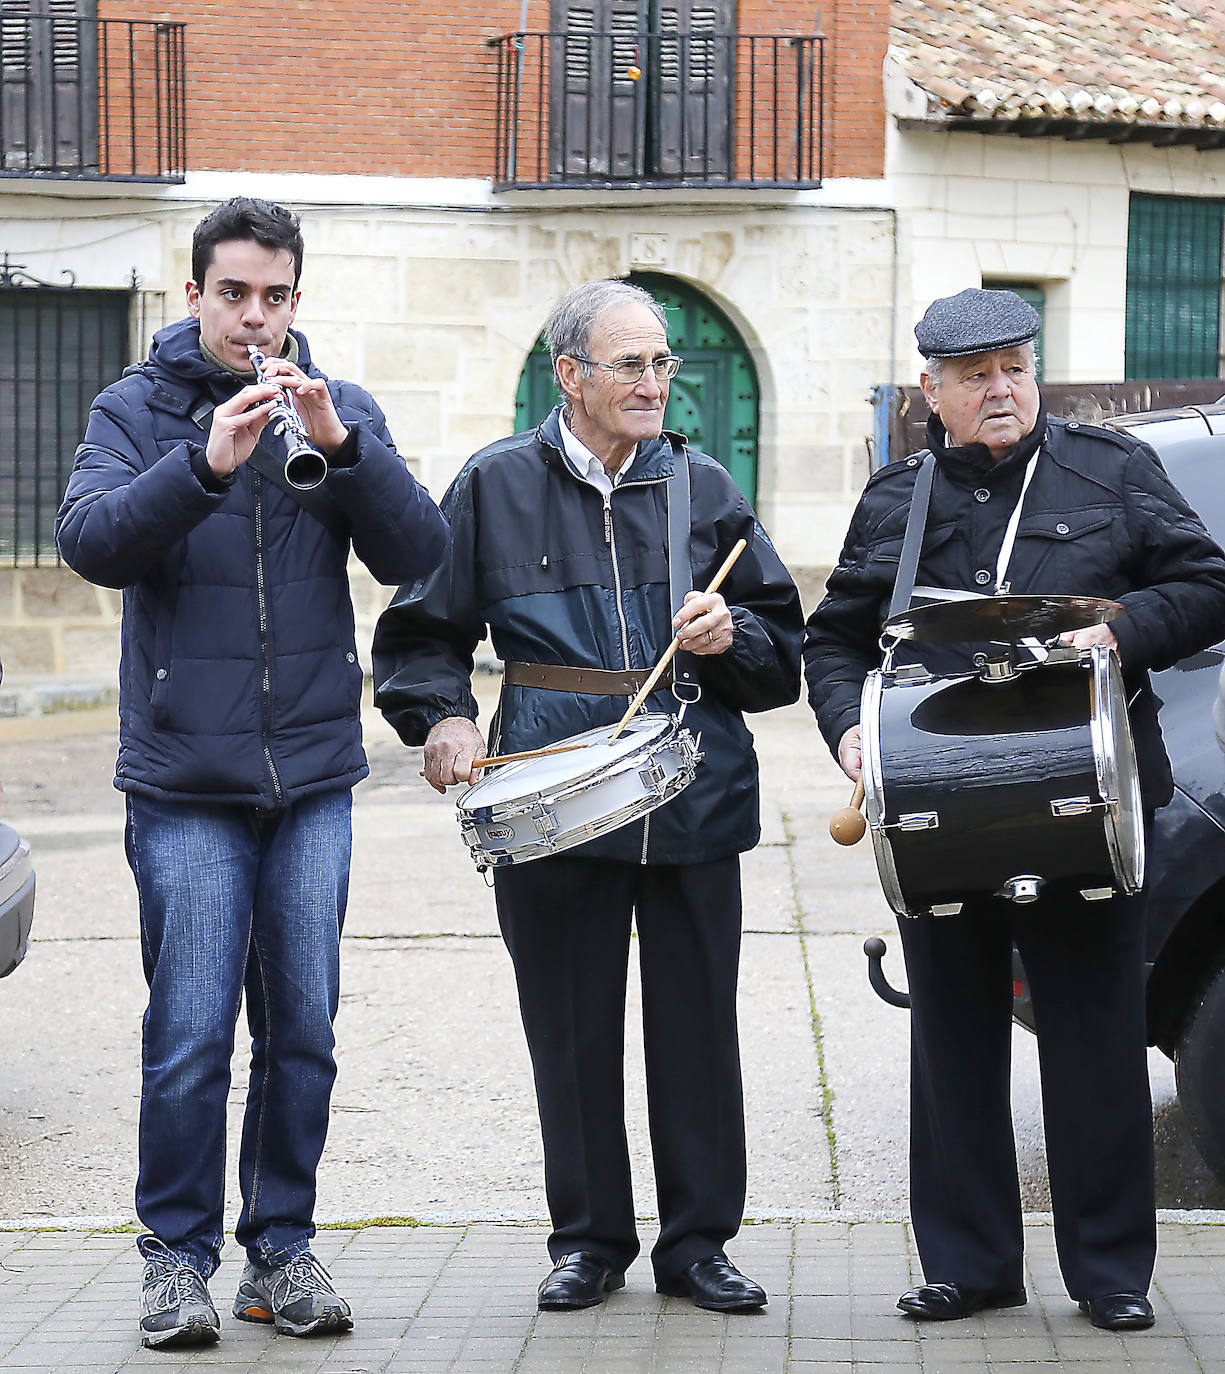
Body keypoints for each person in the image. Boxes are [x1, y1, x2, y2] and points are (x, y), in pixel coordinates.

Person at [55, 197, 450, 1349]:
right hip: (185, 785)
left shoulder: (336, 407)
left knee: (306, 1031)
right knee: (188, 1036)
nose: (256, 317)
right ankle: (174, 1262)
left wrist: (345, 451)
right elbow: (89, 542)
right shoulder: (135, 408)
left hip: (316, 778)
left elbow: (418, 555)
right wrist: (205, 464)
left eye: (276, 296)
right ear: (195, 295)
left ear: (295, 298)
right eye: (233, 294)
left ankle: (281, 1251)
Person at [373, 278, 803, 1313]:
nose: (655, 381)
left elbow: (780, 656)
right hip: (545, 800)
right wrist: (441, 716)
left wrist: (732, 633)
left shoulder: (705, 487)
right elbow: (422, 632)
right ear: (570, 376)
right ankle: (590, 1241)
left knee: (697, 1032)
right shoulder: (491, 484)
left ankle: (698, 1244)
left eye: (662, 362)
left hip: (691, 796)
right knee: (568, 1033)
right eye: (631, 364)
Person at [804, 287, 1225, 1332]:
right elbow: (836, 639)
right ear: (931, 390)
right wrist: (850, 730)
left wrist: (1120, 635)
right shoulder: (896, 502)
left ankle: (1111, 1275)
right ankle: (968, 1266)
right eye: (976, 375)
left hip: (1087, 800)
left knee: (1091, 1041)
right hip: (939, 806)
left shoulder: (1114, 471)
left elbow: (1209, 585)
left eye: (1014, 368)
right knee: (950, 1043)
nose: (1001, 389)